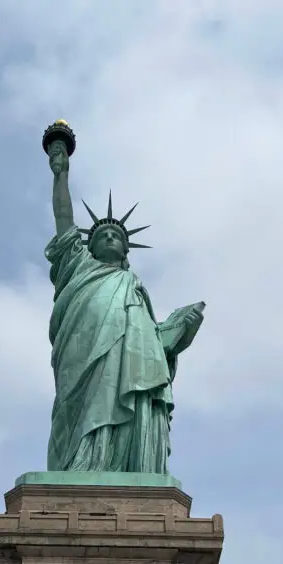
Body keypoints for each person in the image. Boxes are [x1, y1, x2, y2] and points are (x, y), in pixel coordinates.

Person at [44, 138, 205, 474]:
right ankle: (81, 466)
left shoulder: (135, 290)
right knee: (84, 407)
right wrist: (60, 174)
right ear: (90, 246)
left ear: (126, 250)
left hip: (130, 362)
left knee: (132, 394)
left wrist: (179, 330)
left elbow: (154, 343)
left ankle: (125, 468)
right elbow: (63, 218)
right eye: (101, 235)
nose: (109, 238)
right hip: (83, 353)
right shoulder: (78, 267)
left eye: (116, 236)